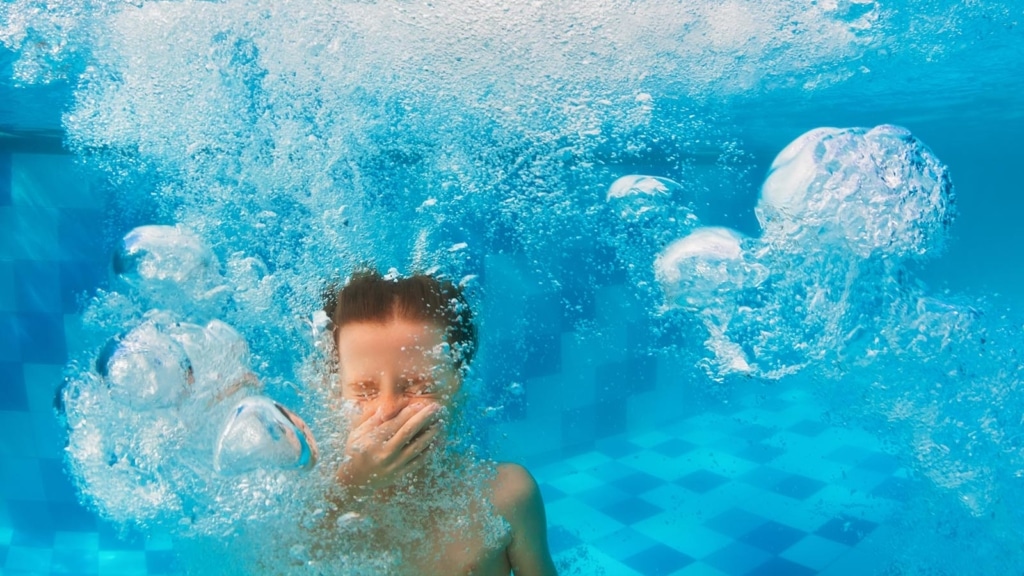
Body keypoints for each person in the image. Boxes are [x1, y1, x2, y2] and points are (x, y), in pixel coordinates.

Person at [321, 270, 558, 576]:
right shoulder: (320, 509)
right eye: (364, 390)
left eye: (420, 387)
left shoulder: (505, 496)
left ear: (458, 386)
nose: (389, 409)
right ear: (334, 393)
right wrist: (352, 483)